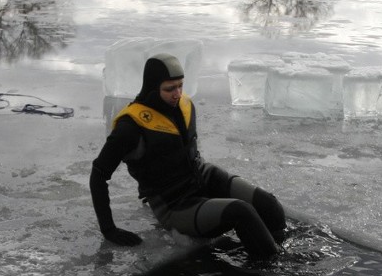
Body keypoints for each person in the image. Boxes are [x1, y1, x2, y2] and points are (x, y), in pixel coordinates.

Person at [90, 54, 287, 258]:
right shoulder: (130, 127)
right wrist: (108, 229)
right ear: (152, 87)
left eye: (180, 86)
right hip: (175, 204)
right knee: (241, 212)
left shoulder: (185, 106)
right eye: (169, 89)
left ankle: (276, 250)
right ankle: (274, 270)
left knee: (270, 206)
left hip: (202, 176)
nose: (177, 94)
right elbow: (98, 174)